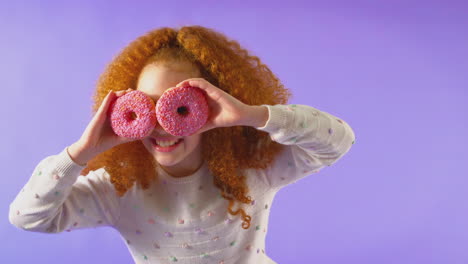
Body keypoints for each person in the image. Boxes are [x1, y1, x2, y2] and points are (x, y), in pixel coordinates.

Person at [9, 25, 356, 264]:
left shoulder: (252, 167)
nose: (161, 126)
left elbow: (338, 140)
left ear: (215, 104)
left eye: (180, 108)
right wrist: (81, 152)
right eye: (146, 106)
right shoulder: (118, 189)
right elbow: (27, 217)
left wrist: (251, 115)